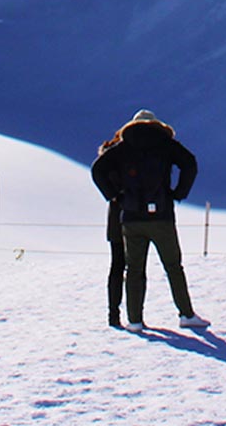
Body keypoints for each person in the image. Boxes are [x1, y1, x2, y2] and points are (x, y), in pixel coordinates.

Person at [90, 109, 209, 330]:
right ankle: (186, 314)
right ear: (156, 125)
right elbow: (189, 163)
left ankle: (134, 320)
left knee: (134, 270)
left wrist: (115, 195)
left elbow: (98, 170)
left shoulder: (123, 147)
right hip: (162, 215)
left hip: (132, 217)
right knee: (173, 266)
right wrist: (178, 193)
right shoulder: (165, 143)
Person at [96, 137, 128, 328]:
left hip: (116, 216)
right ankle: (132, 315)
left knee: (117, 264)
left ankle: (113, 313)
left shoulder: (110, 155)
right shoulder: (127, 153)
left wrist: (112, 195)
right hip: (131, 214)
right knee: (132, 266)